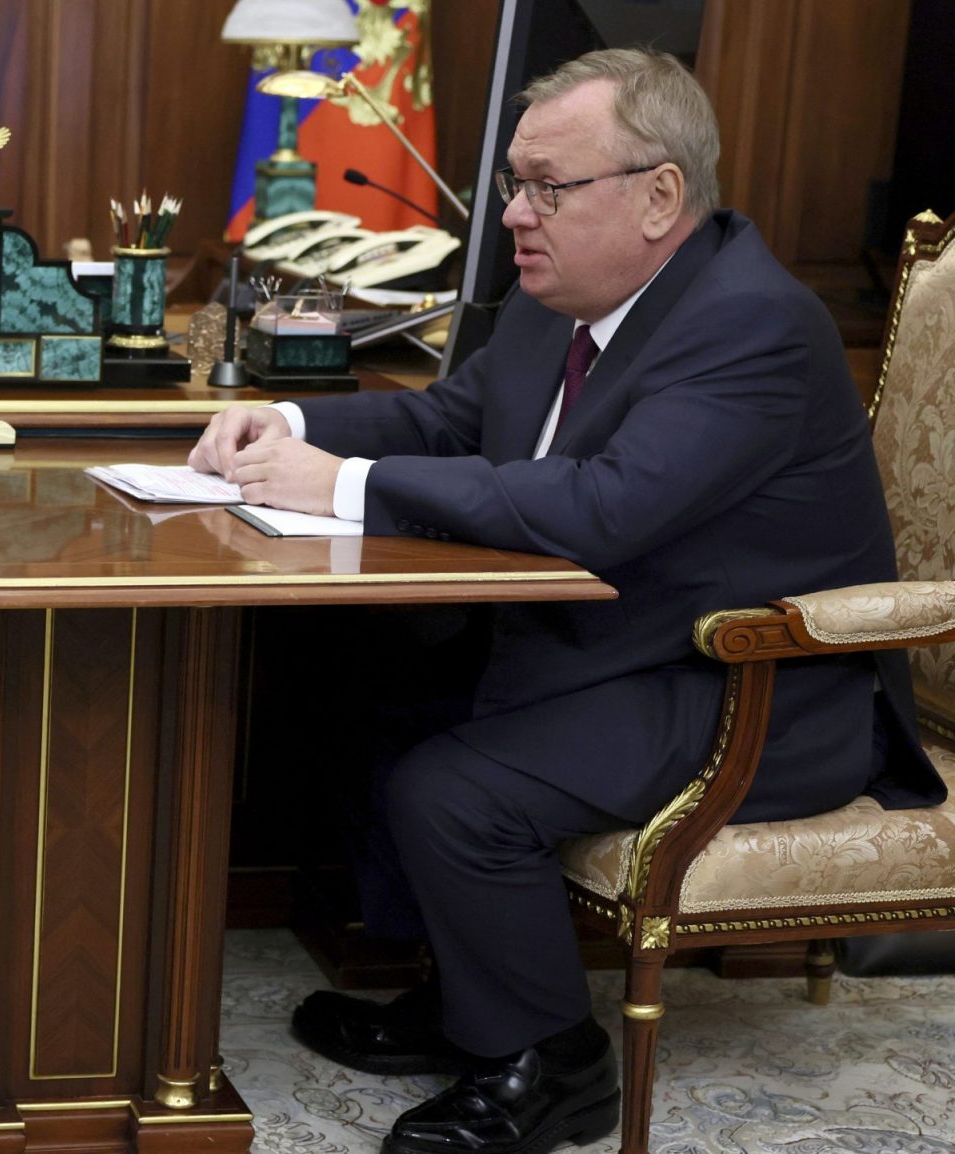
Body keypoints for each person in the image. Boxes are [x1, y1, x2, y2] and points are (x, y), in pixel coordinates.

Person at [191, 48, 943, 1154]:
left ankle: (551, 1063)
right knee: (366, 676)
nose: (512, 215)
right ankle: (469, 1003)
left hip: (754, 684)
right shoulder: (561, 297)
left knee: (456, 787)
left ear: (658, 196)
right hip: (617, 640)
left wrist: (343, 489)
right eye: (511, 184)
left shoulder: (750, 324)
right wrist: (288, 427)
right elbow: (450, 420)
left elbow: (603, 507)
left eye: (548, 186)